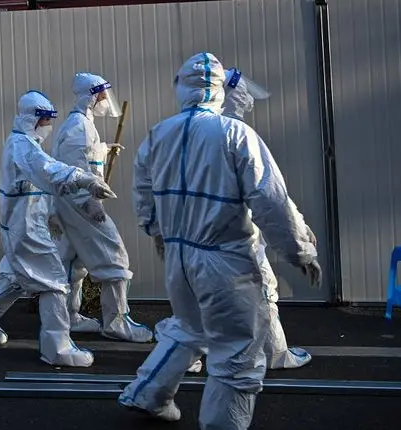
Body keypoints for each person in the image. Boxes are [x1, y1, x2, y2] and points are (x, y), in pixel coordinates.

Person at [118, 53, 322, 430]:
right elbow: (270, 200)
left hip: (180, 257)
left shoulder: (157, 134)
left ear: (181, 85)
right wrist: (300, 250)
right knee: (237, 353)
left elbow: (142, 193)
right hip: (226, 261)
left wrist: (158, 232)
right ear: (220, 89)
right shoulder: (235, 134)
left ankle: (147, 394)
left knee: (189, 328)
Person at [0, 90, 117, 367]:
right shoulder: (22, 146)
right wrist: (83, 178)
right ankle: (57, 348)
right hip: (25, 227)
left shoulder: (25, 143)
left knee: (14, 276)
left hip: (25, 223)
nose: (49, 126)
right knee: (55, 283)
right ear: (33, 119)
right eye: (45, 121)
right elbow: (47, 169)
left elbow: (41, 180)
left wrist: (53, 213)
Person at [221, 66, 315, 370]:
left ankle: (186, 362)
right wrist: (299, 244)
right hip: (239, 237)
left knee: (202, 304)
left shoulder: (191, 134)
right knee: (263, 292)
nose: (248, 100)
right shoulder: (239, 136)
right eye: (242, 93)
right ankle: (276, 355)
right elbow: (271, 198)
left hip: (200, 243)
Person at [50, 72, 152, 343]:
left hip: (72, 205)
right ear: (91, 95)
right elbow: (75, 170)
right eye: (102, 94)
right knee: (115, 258)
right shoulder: (78, 127)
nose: (106, 99)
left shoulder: (80, 124)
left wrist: (104, 149)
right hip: (81, 205)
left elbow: (82, 155)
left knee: (74, 259)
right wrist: (91, 206)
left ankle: (69, 315)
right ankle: (116, 322)